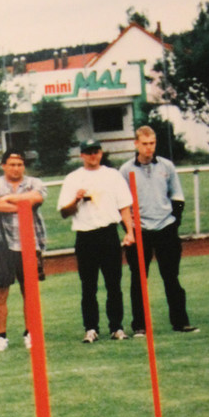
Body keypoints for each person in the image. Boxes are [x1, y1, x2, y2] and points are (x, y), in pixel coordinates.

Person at [119, 126, 198, 335]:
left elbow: (177, 196)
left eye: (152, 143)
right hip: (140, 230)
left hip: (165, 228)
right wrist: (130, 229)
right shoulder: (126, 170)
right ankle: (140, 326)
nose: (149, 148)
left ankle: (180, 322)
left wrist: (174, 223)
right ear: (136, 144)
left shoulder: (167, 166)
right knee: (138, 279)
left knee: (171, 277)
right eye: (144, 144)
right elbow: (121, 204)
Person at [57, 139, 134, 342]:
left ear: (101, 153)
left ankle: (116, 327)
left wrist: (129, 231)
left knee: (114, 284)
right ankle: (91, 328)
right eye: (88, 152)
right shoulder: (73, 178)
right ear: (81, 155)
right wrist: (76, 200)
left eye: (96, 151)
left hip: (108, 234)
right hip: (85, 236)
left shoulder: (113, 175)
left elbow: (124, 206)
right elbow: (64, 212)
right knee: (88, 286)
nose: (93, 155)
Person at [0, 150, 48, 351]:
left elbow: (36, 197)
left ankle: (31, 332)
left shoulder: (34, 183)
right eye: (11, 164)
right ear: (3, 165)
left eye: (19, 164)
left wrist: (8, 199)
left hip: (30, 243)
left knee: (30, 292)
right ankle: (0, 336)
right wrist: (22, 205)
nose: (16, 168)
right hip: (0, 245)